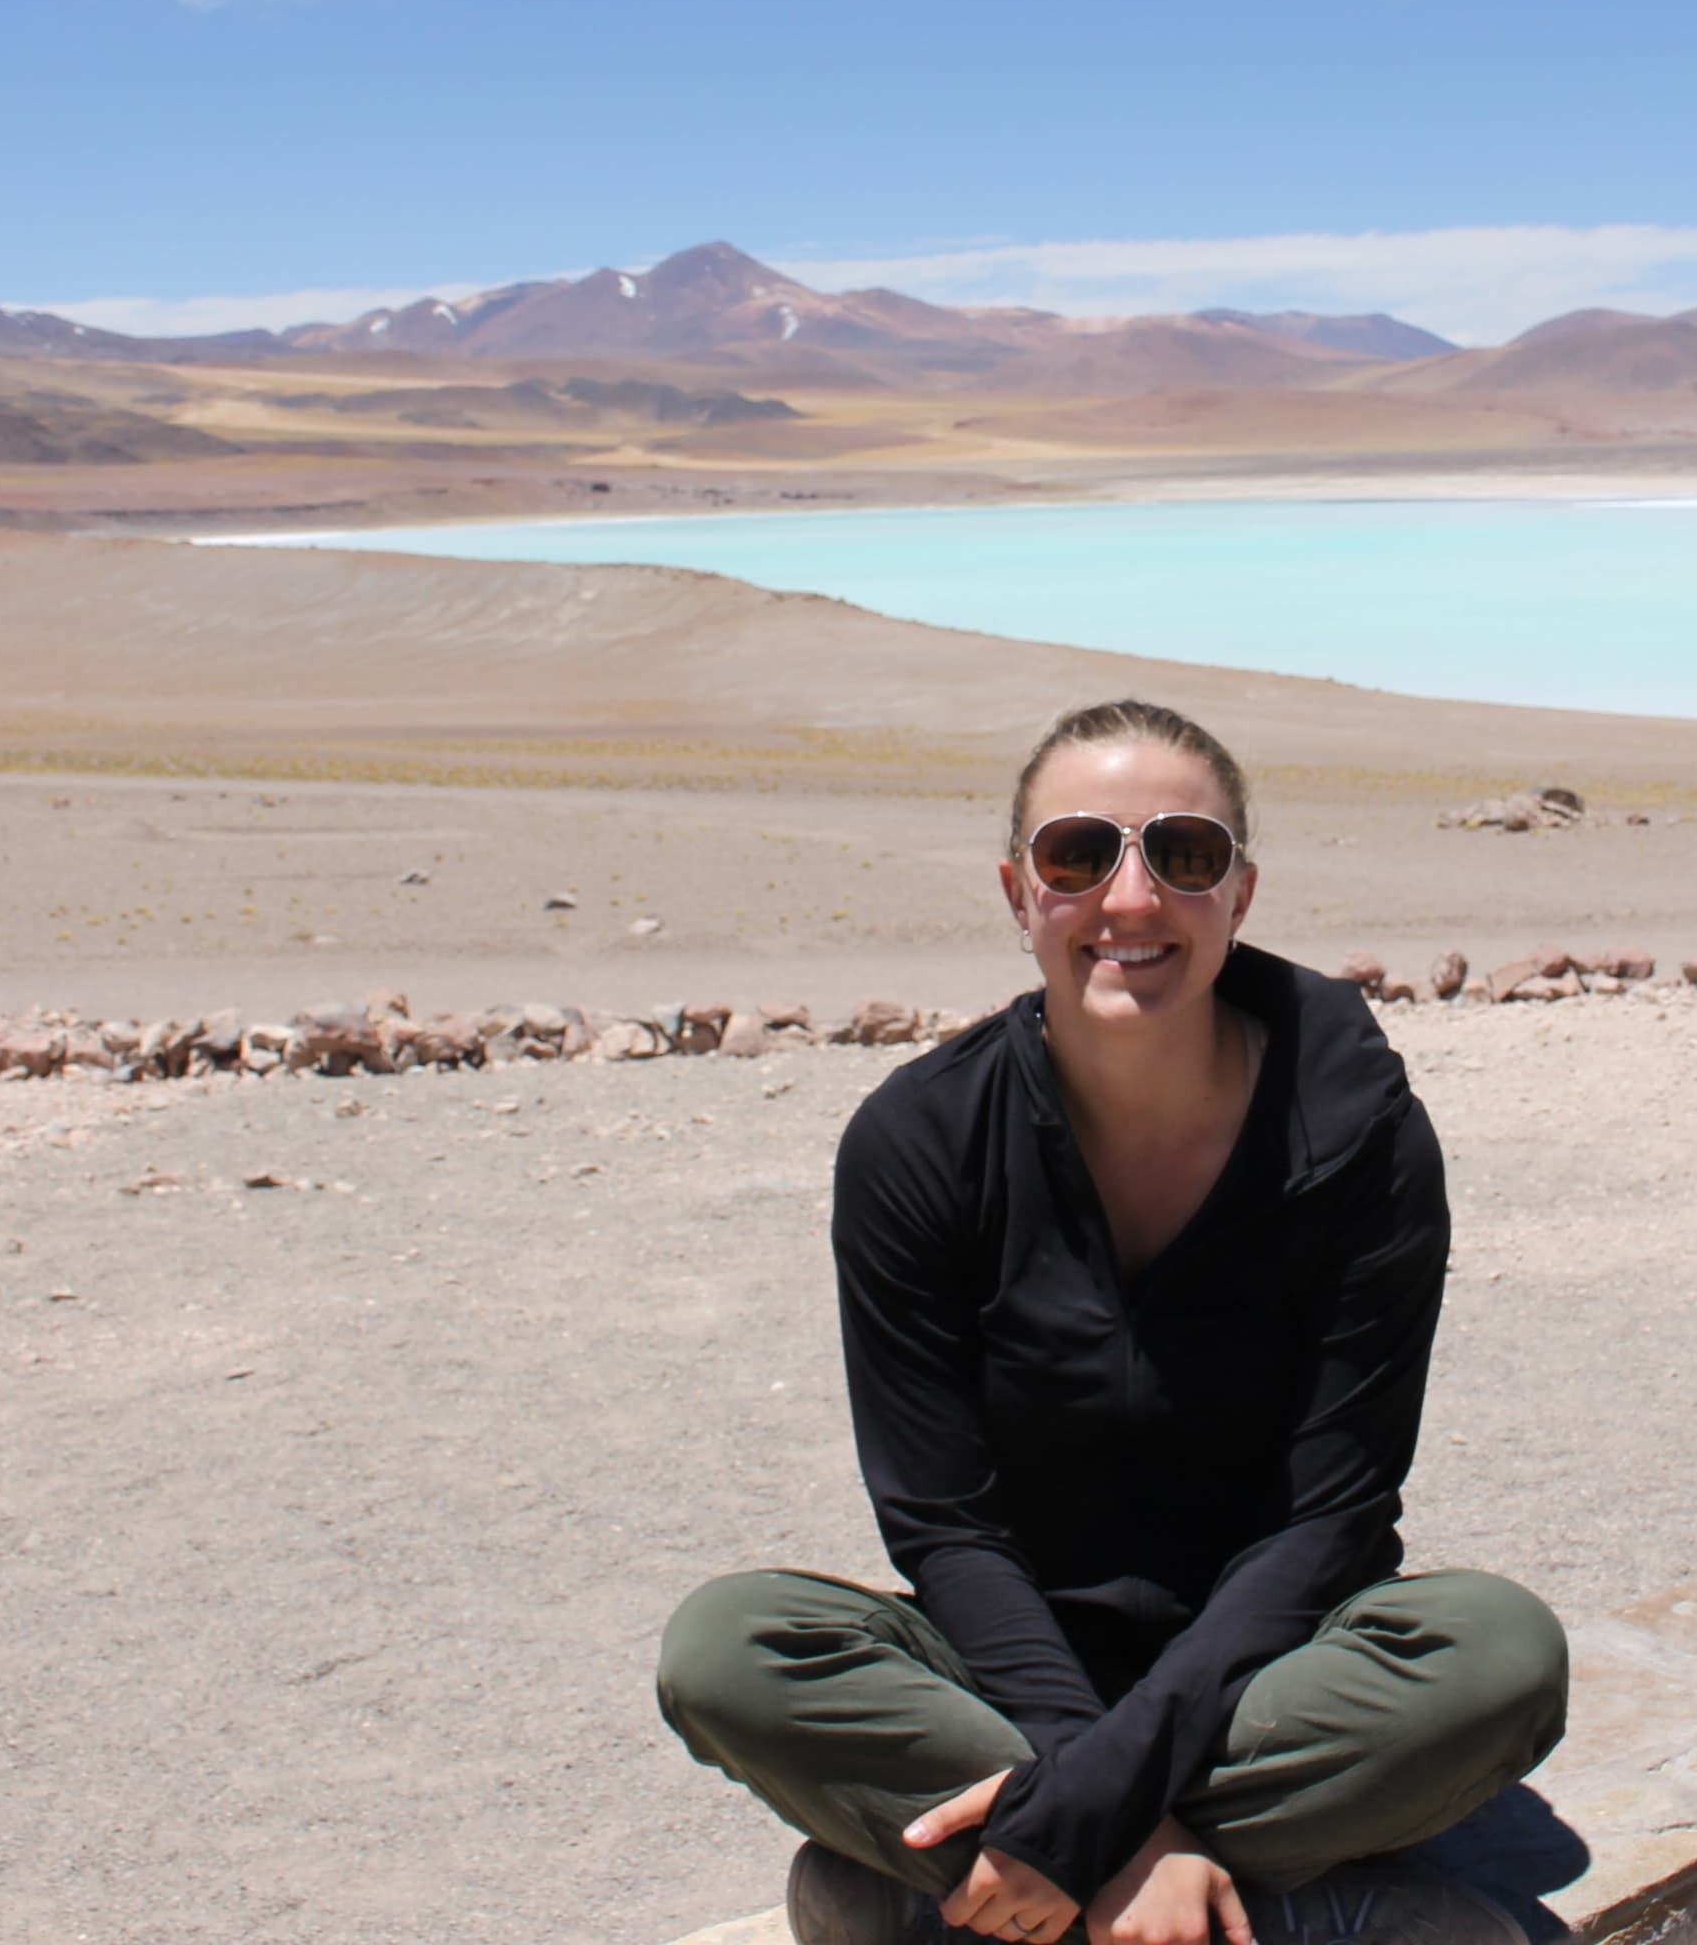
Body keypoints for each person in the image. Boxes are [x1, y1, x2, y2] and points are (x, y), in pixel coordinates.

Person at [658, 699, 1569, 1945]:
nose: (1130, 900)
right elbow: (944, 1521)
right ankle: (1292, 1909)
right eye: (1079, 855)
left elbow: (1332, 1514)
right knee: (729, 1648)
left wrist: (1085, 1803)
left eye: (1183, 854)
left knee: (1494, 1660)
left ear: (1239, 894)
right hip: (1005, 1661)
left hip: (1273, 1665)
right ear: (1018, 892)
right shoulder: (921, 1143)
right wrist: (1113, 1811)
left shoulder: (1358, 1130)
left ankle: (948, 1894)